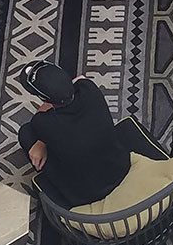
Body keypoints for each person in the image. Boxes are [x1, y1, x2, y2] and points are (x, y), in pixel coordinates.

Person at [18, 61, 130, 207]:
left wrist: (41, 142)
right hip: (120, 166)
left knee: (25, 133)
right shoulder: (89, 89)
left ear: (43, 98)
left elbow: (39, 117)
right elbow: (80, 79)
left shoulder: (43, 123)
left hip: (86, 194)